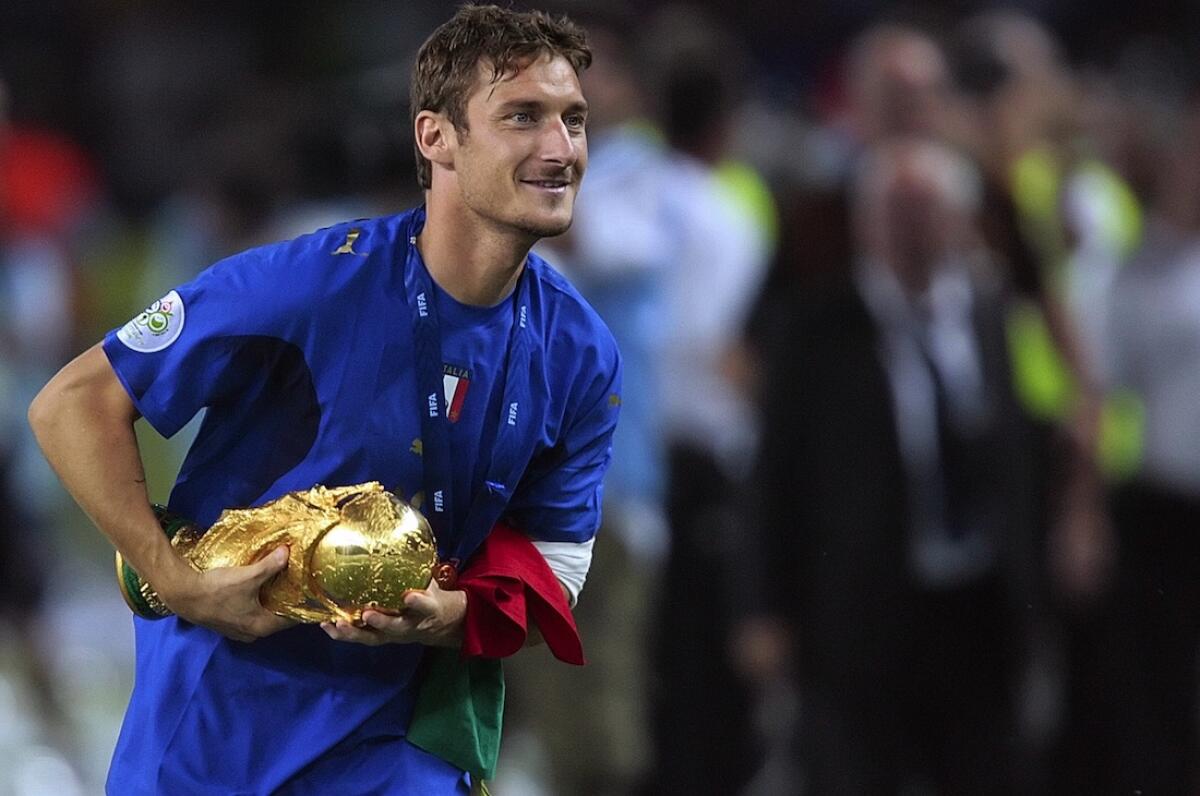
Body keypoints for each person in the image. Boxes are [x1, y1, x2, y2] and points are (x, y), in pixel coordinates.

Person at [27, 5, 620, 794]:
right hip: (221, 727)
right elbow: (72, 403)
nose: (561, 149)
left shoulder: (580, 352)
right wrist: (174, 580)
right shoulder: (309, 284)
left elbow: (554, 568)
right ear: (435, 136)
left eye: (574, 121)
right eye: (523, 118)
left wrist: (441, 618)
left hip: (400, 742)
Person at [752, 138, 1042, 794]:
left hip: (976, 607)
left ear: (959, 221)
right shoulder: (815, 326)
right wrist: (764, 605)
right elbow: (775, 475)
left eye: (925, 211)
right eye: (894, 212)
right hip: (863, 614)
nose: (910, 230)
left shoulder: (987, 312)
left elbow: (1017, 461)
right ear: (864, 224)